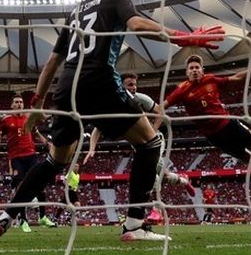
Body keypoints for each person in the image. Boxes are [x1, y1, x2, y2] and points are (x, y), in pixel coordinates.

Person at [0, 0, 224, 243]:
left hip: (67, 88)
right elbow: (138, 23)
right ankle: (134, 225)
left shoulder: (74, 14)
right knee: (151, 143)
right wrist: (183, 38)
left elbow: (52, 61)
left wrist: (38, 102)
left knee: (54, 162)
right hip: (100, 81)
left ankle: (4, 219)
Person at [158, 55, 251, 189]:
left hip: (229, 125)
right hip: (215, 137)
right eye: (191, 68)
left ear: (202, 70)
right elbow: (162, 107)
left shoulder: (210, 80)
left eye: (197, 67)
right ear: (187, 72)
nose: (194, 70)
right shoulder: (182, 90)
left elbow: (236, 78)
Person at [84, 72, 196, 224]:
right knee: (164, 176)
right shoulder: (113, 104)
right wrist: (92, 149)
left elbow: (160, 112)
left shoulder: (141, 99)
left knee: (151, 171)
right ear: (120, 86)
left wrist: (154, 130)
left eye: (135, 84)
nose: (134, 87)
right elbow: (97, 129)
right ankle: (184, 180)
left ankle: (156, 210)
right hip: (139, 146)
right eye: (130, 84)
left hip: (154, 142)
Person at [0, 94, 57, 231]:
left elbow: (35, 132)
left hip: (31, 154)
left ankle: (42, 217)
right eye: (16, 102)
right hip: (16, 156)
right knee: (21, 184)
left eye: (21, 102)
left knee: (40, 184)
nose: (19, 104)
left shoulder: (29, 117)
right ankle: (23, 219)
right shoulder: (5, 120)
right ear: (12, 105)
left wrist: (45, 142)